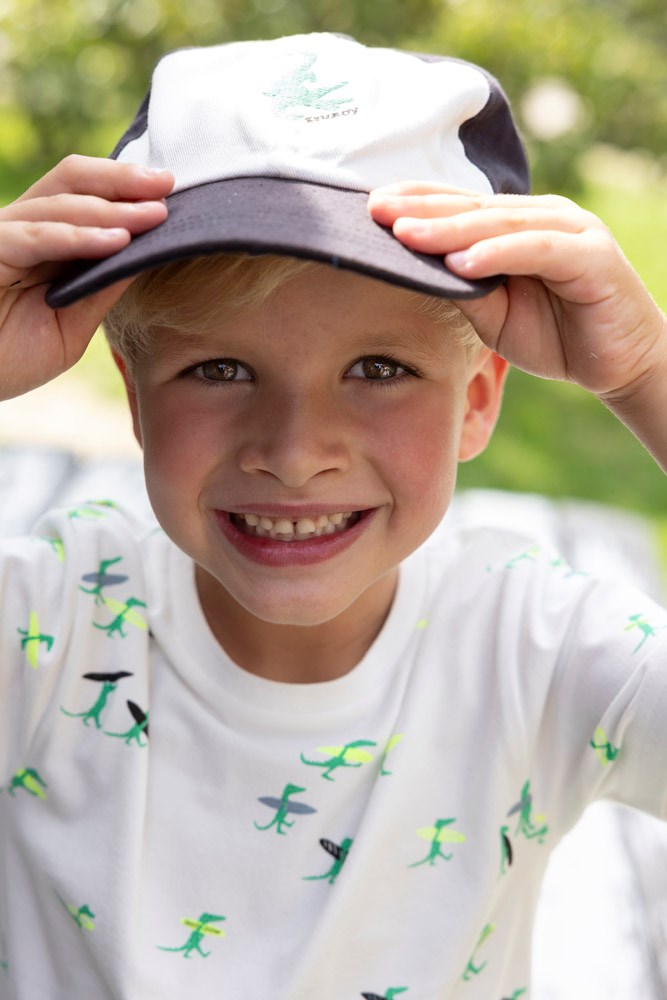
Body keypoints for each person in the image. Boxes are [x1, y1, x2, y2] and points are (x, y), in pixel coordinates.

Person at [0, 31, 666, 1000]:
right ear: (136, 399)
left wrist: (648, 374)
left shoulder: (535, 648)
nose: (295, 448)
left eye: (379, 369)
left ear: (477, 399)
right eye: (219, 368)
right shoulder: (45, 628)